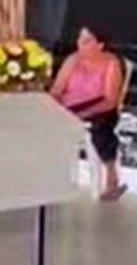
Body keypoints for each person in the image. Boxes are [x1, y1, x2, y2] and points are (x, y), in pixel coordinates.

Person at [50, 26, 126, 201]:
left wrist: (83, 114)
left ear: (100, 45)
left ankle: (111, 178)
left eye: (86, 41)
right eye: (80, 39)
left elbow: (110, 100)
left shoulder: (111, 63)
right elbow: (57, 90)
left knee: (100, 129)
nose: (80, 44)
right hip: (70, 105)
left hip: (98, 107)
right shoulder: (72, 60)